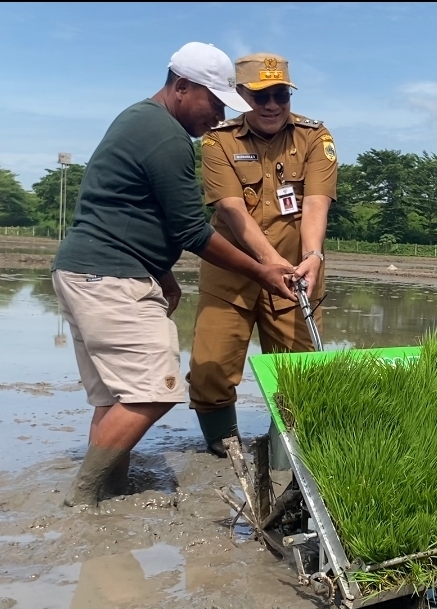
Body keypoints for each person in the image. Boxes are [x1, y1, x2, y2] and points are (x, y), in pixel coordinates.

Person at [51, 42, 298, 508]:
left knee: (114, 398)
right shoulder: (165, 137)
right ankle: (83, 498)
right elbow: (192, 231)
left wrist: (161, 270)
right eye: (215, 100)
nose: (219, 113)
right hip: (111, 277)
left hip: (86, 270)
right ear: (182, 86)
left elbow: (135, 210)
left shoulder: (138, 120)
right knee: (153, 393)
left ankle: (111, 491)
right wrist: (264, 272)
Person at [187, 52, 336, 457]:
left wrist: (312, 257)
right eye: (260, 96)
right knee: (210, 367)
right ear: (240, 96)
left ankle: (284, 448)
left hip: (297, 279)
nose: (271, 105)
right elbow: (232, 210)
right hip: (232, 274)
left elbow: (316, 204)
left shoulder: (314, 137)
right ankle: (223, 445)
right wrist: (269, 263)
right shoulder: (218, 139)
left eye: (280, 95)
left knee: (299, 372)